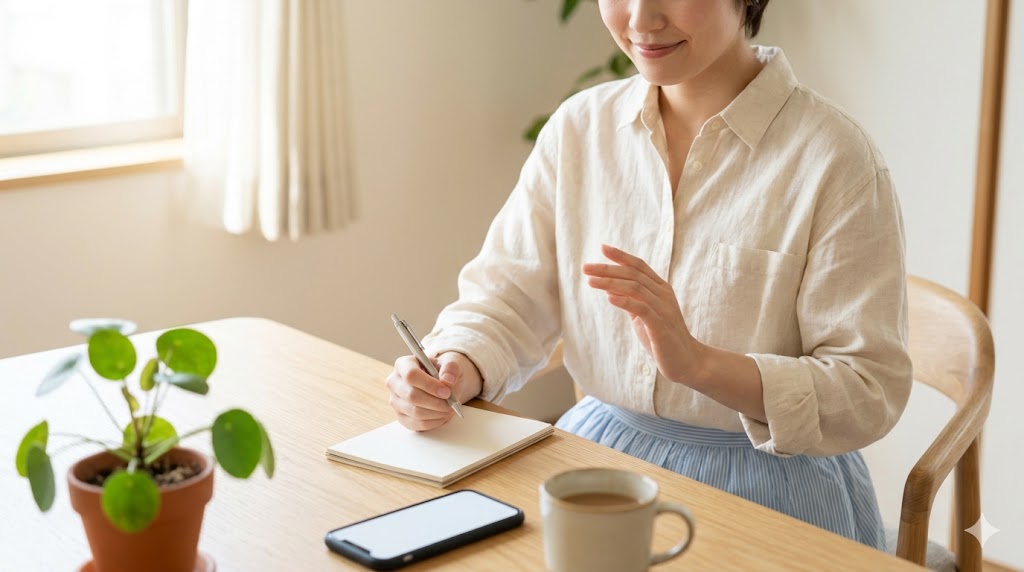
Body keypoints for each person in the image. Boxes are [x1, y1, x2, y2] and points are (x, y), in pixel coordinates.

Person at [385, 0, 911, 550]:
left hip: (775, 486)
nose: (641, 20)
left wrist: (703, 364)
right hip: (597, 456)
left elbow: (867, 389)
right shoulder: (579, 130)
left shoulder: (834, 159)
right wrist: (453, 367)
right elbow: (507, 299)